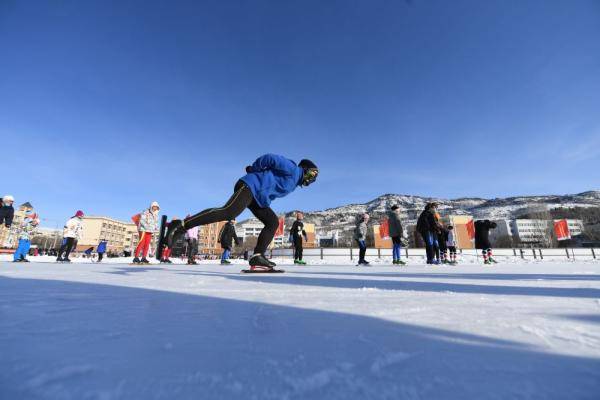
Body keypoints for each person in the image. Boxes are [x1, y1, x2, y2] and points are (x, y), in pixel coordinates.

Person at [163, 154, 319, 270]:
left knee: (272, 222)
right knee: (228, 212)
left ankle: (258, 256)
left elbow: (271, 186)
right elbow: (270, 158)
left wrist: (265, 199)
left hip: (258, 198)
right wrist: (254, 169)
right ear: (305, 170)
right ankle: (180, 225)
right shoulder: (292, 169)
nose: (312, 180)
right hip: (249, 186)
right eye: (312, 175)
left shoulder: (293, 183)